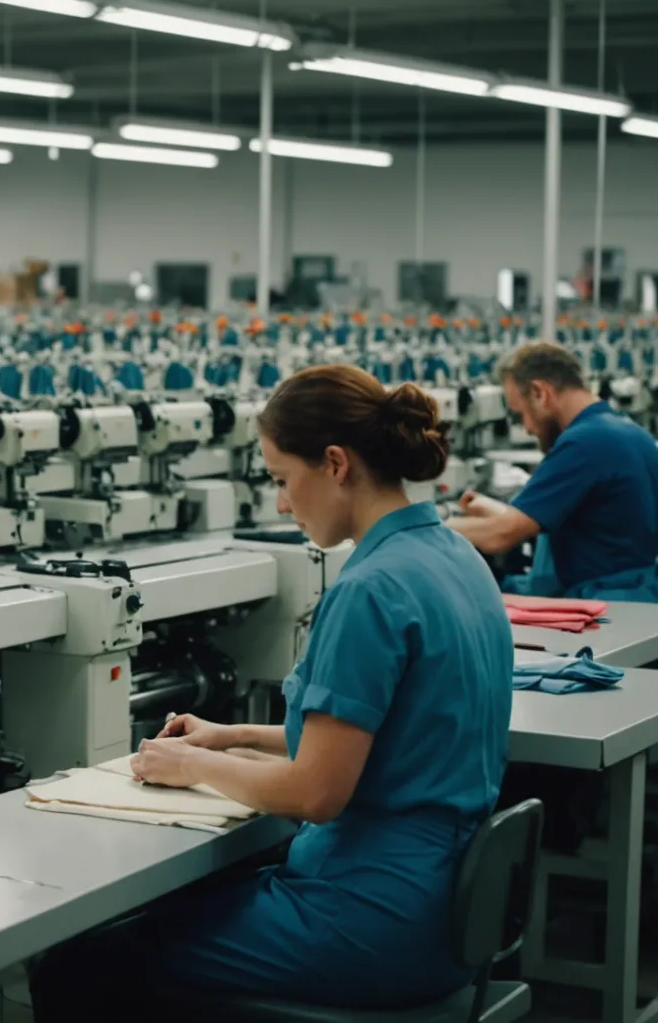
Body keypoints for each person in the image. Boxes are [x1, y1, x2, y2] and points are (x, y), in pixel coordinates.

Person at [28, 365, 512, 1018]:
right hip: (443, 911)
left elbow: (316, 791)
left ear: (336, 463)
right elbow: (392, 731)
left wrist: (193, 763)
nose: (282, 504)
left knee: (81, 962)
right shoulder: (456, 559)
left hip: (368, 919)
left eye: (284, 480)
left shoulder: (369, 591)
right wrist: (232, 736)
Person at [450, 341, 658, 602]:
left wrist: (435, 527)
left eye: (521, 414)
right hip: (641, 599)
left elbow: (502, 535)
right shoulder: (630, 433)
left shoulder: (583, 443)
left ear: (539, 393)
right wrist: (491, 509)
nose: (528, 428)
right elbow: (586, 526)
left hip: (603, 608)